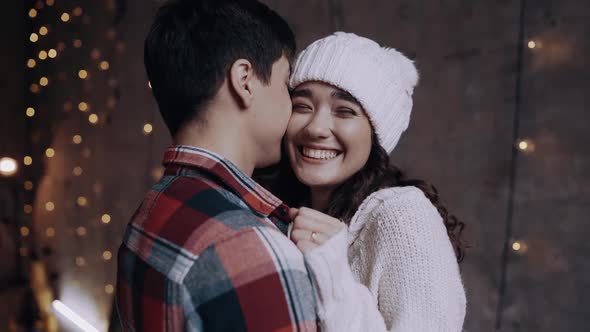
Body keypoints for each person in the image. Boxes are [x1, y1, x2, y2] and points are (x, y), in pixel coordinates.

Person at [115, 1, 318, 331]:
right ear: (245, 80)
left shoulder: (151, 209)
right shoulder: (250, 246)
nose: (292, 104)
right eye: (286, 83)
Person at [275, 32, 467, 331]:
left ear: (376, 134)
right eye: (302, 106)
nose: (316, 128)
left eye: (345, 111)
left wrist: (334, 275)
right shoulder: (280, 212)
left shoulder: (401, 215)